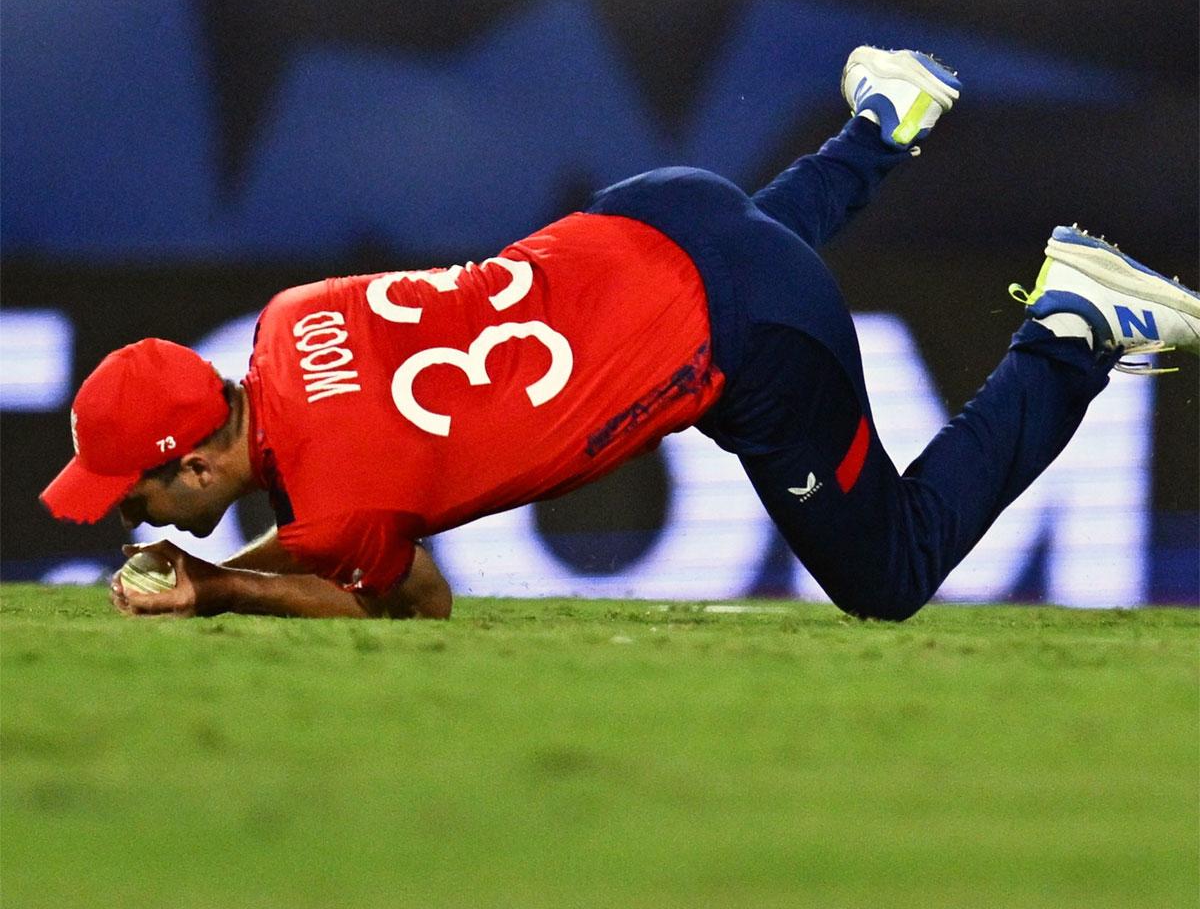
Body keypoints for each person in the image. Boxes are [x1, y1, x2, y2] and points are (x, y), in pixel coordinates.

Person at [40, 47, 1200, 622]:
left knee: (888, 575)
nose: (133, 511)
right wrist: (229, 562)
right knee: (748, 242)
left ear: (192, 460)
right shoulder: (297, 319)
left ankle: (1073, 327)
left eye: (134, 495)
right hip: (659, 211)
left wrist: (214, 586)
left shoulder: (340, 496)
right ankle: (885, 119)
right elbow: (347, 489)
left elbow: (410, 600)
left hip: (749, 334)